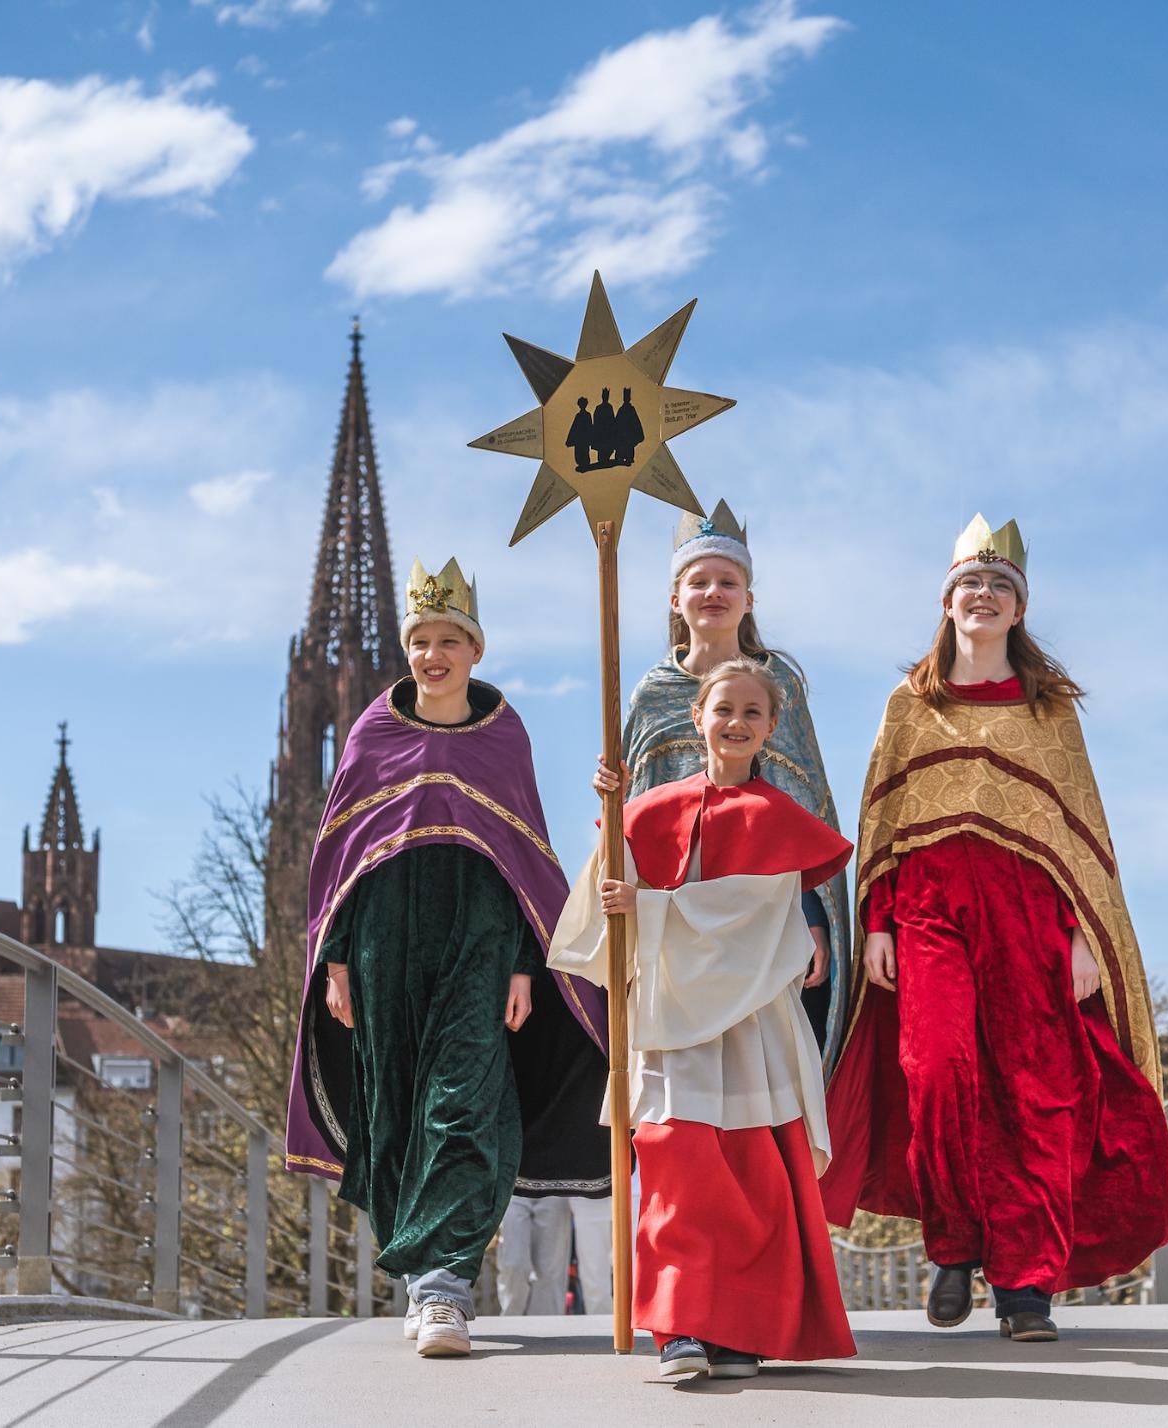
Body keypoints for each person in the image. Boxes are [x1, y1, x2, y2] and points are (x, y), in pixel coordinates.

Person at [819, 515, 1168, 1343]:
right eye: (970, 585)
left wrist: (1088, 936)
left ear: (1018, 609)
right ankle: (954, 1243)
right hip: (927, 913)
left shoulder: (1049, 710)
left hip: (1032, 918)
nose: (983, 596)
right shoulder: (910, 704)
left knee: (1036, 1090)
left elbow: (1085, 834)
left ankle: (1025, 1285)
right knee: (937, 1070)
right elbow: (882, 818)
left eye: (1000, 587)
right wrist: (876, 922)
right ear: (946, 602)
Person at [284, 557, 611, 1359]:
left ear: (475, 650)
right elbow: (340, 860)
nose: (434, 655)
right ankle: (424, 1271)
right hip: (383, 944)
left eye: (449, 641)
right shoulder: (373, 733)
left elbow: (526, 859)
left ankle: (444, 1288)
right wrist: (334, 961)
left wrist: (526, 966)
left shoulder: (503, 736)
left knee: (465, 1100)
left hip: (480, 941)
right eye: (421, 640)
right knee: (394, 1104)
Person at [552, 660, 858, 1380]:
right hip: (669, 1014)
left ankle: (739, 1328)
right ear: (696, 718)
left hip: (750, 1020)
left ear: (772, 729)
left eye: (753, 712)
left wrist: (650, 908)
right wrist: (613, 826)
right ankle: (681, 1327)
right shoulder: (649, 810)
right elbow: (601, 904)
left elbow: (751, 924)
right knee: (676, 1167)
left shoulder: (780, 823)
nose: (737, 722)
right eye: (724, 708)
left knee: (752, 1179)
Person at [608, 499, 855, 1067]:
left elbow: (803, 811)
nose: (713, 592)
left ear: (748, 600)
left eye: (728, 581)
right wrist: (611, 786)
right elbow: (636, 807)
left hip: (757, 912)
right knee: (683, 1063)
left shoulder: (777, 685)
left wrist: (811, 918)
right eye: (699, 582)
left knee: (759, 1062)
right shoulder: (652, 693)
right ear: (677, 599)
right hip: (678, 910)